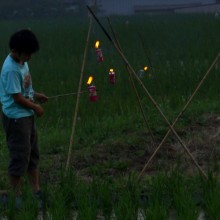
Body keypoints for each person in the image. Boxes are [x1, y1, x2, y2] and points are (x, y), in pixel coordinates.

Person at [0, 29, 48, 208]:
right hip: (16, 118)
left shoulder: (22, 62)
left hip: (26, 116)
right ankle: (16, 196)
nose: (30, 57)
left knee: (32, 153)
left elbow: (25, 91)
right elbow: (17, 98)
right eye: (28, 53)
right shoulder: (11, 69)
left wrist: (36, 95)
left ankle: (36, 191)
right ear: (18, 50)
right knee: (20, 155)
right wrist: (36, 107)